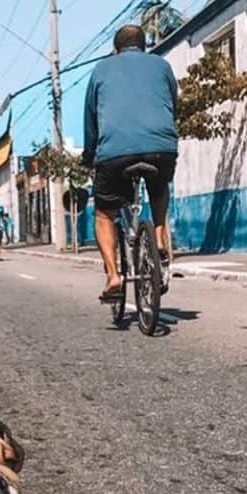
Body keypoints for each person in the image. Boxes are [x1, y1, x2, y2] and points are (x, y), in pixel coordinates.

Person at [83, 23, 178, 302]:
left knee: (104, 214)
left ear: (116, 50)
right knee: (159, 188)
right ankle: (159, 234)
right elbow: (173, 104)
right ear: (144, 46)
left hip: (114, 154)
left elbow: (91, 119)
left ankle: (113, 275)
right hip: (161, 148)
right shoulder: (161, 65)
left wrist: (90, 155)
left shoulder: (101, 69)